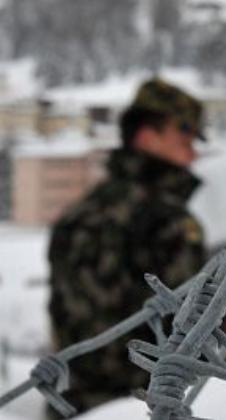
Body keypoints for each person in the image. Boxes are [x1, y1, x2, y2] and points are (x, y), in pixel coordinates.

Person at [46, 78, 209, 414]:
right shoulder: (166, 220)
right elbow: (192, 323)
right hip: (147, 403)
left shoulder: (83, 211)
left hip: (77, 402)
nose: (193, 153)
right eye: (184, 138)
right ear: (148, 137)